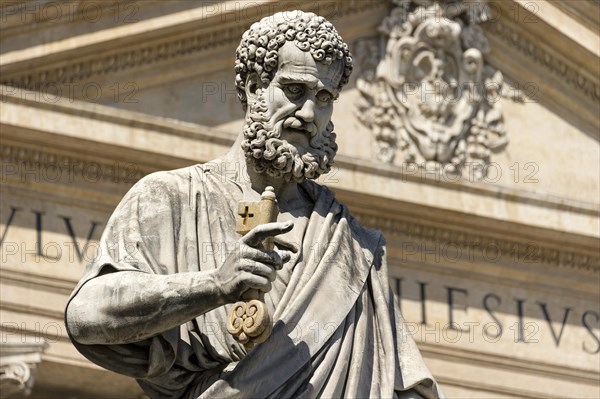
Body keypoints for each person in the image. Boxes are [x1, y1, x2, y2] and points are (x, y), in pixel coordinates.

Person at [65, 11, 444, 399]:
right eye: (295, 90)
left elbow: (402, 386)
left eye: (325, 98)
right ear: (252, 87)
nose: (310, 114)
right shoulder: (169, 196)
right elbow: (87, 317)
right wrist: (213, 285)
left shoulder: (355, 246)